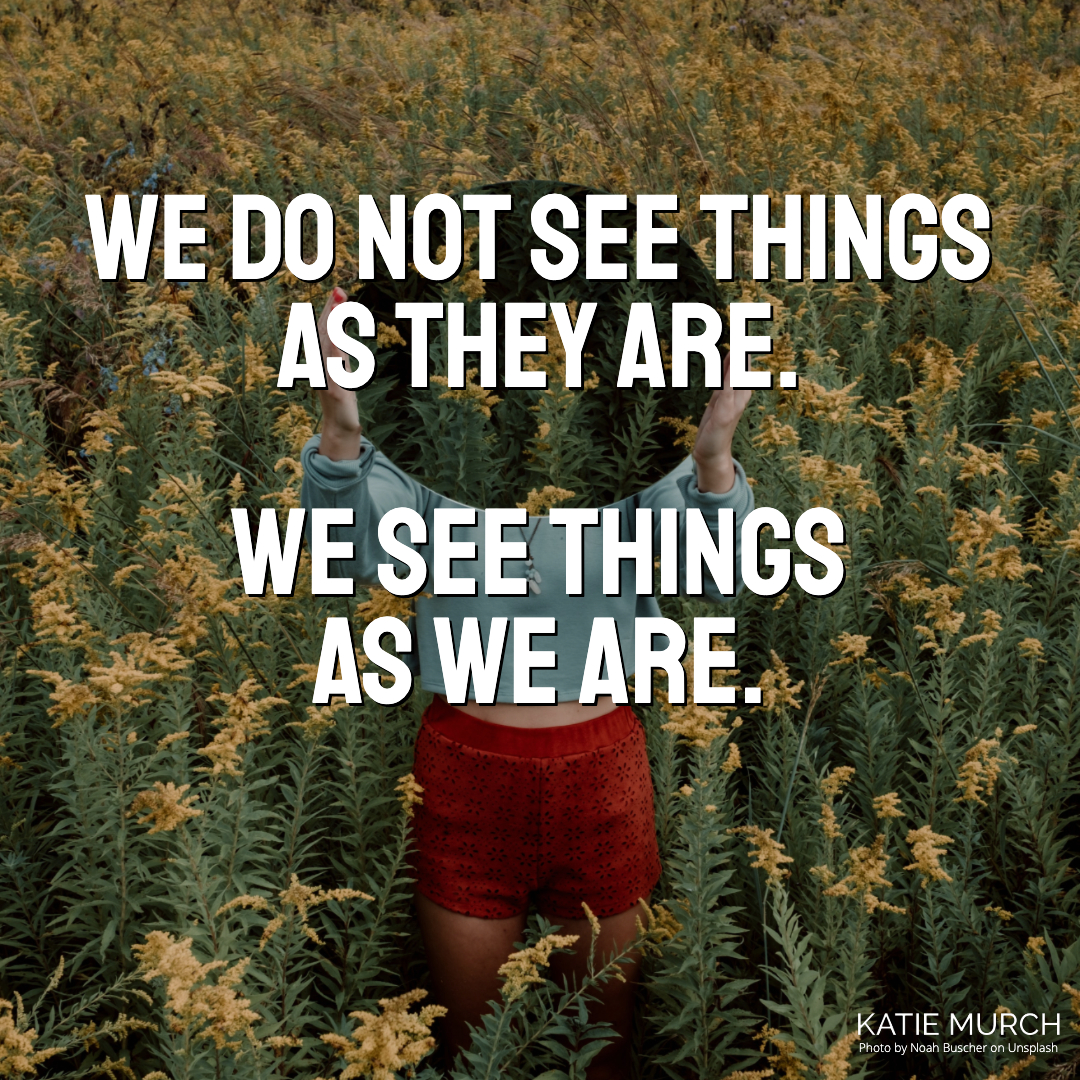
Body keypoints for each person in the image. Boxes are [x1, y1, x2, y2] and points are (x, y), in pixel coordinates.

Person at [301, 285, 754, 1078]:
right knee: (476, 1052)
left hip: (603, 774)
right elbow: (342, 555)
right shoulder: (423, 469)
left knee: (602, 1051)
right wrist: (340, 437)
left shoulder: (631, 470)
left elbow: (714, 573)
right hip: (465, 778)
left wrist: (712, 458)